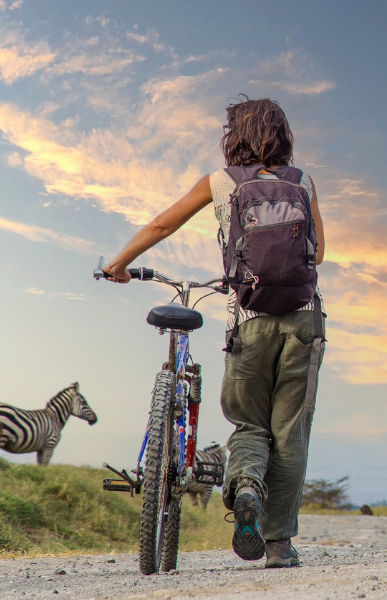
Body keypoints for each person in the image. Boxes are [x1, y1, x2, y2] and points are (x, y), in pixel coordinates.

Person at [101, 97, 325, 568]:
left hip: (249, 319)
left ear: (233, 135)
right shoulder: (302, 182)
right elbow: (318, 253)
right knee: (290, 433)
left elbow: (164, 223)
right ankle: (279, 545)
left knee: (249, 423)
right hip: (303, 320)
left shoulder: (221, 182)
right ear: (283, 135)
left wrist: (120, 264)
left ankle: (244, 485)